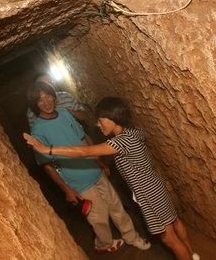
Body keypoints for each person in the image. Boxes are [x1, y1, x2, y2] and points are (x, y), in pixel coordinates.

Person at [24, 97, 199, 260]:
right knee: (176, 222)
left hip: (149, 194)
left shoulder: (121, 142)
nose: (98, 124)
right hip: (156, 185)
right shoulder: (133, 133)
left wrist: (48, 149)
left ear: (112, 118)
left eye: (100, 120)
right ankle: (192, 255)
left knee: (169, 239)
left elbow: (85, 151)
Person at [27, 84, 150, 254]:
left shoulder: (64, 113)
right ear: (35, 104)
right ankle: (104, 244)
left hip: (94, 170)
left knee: (116, 206)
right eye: (40, 99)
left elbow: (82, 137)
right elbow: (46, 165)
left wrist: (98, 161)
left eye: (48, 96)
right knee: (99, 216)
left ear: (54, 96)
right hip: (77, 181)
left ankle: (132, 237)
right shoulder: (38, 131)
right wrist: (67, 189)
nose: (46, 102)